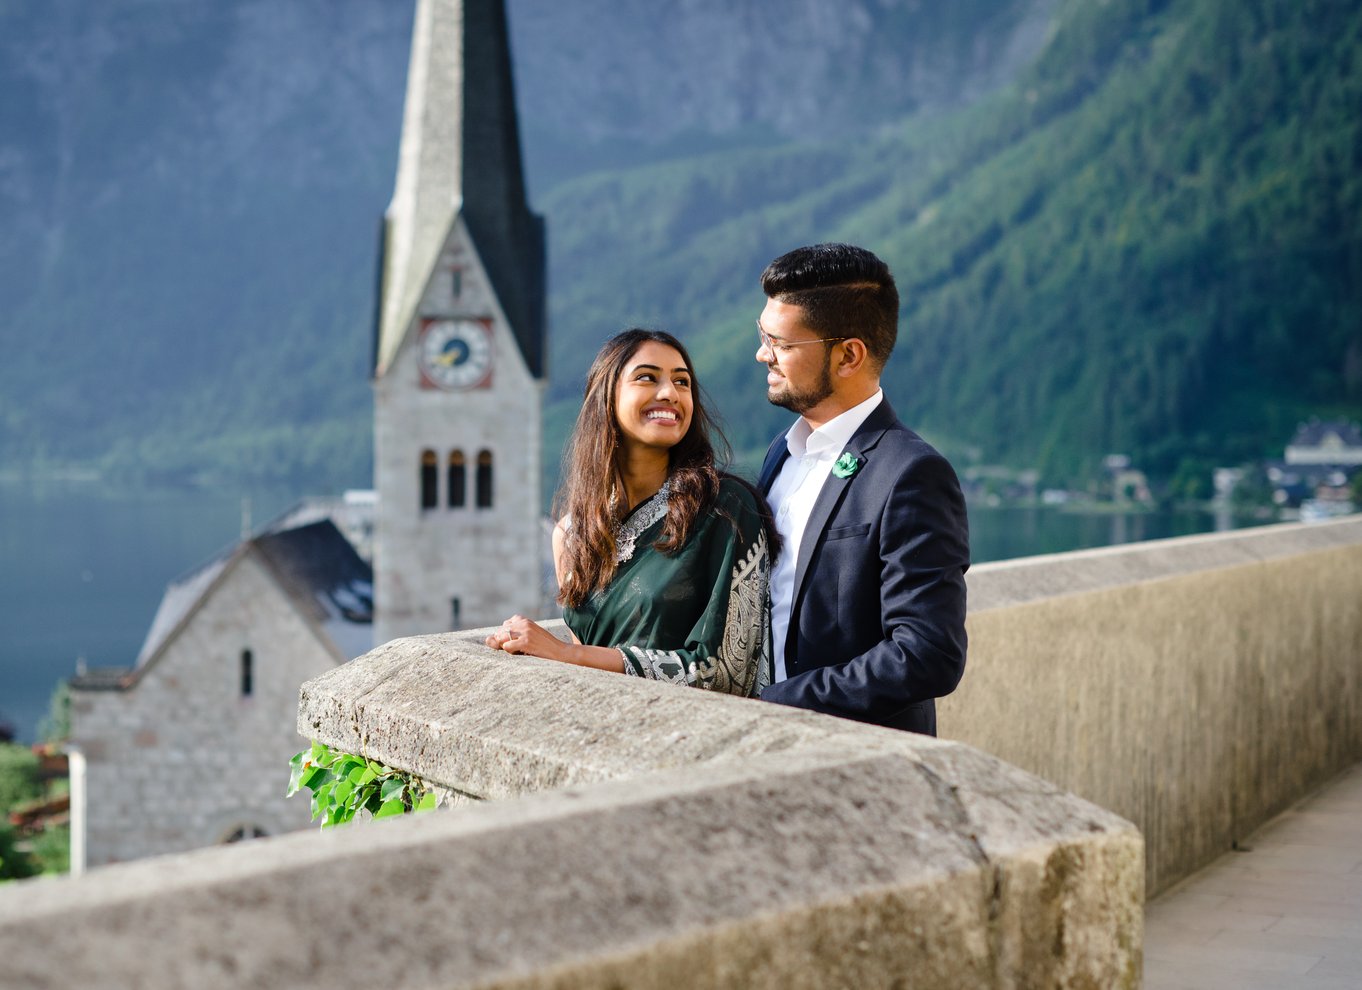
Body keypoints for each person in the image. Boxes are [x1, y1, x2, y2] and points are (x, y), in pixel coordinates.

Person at [753, 243, 969, 734]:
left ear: (849, 355)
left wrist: (775, 702)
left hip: (849, 758)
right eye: (763, 335)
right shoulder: (780, 453)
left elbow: (927, 653)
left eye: (782, 343)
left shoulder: (912, 474)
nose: (762, 353)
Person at [486, 329, 774, 696]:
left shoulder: (724, 508)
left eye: (682, 382)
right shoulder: (573, 533)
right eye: (647, 377)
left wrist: (564, 653)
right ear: (606, 397)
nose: (670, 393)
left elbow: (727, 672)